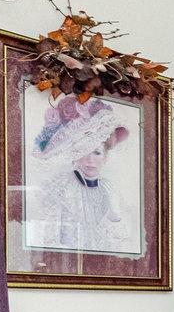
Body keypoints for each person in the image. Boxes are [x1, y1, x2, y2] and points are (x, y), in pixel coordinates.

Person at [27, 95, 135, 254]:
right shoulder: (60, 186)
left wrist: (115, 214)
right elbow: (47, 239)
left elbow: (120, 243)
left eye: (97, 153)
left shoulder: (108, 187)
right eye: (84, 152)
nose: (90, 160)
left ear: (105, 157)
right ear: (74, 155)